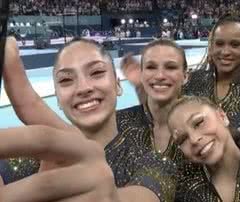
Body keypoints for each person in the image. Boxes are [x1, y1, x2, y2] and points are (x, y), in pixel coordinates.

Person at [1, 37, 176, 202]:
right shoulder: (29, 157)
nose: (83, 88)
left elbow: (144, 195)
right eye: (66, 80)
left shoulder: (156, 163)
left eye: (97, 72)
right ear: (58, 99)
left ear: (118, 85)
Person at [121, 14, 240, 147]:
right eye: (219, 44)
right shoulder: (193, 80)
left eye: (234, 45)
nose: (225, 51)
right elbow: (162, 116)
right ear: (211, 46)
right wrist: (141, 86)